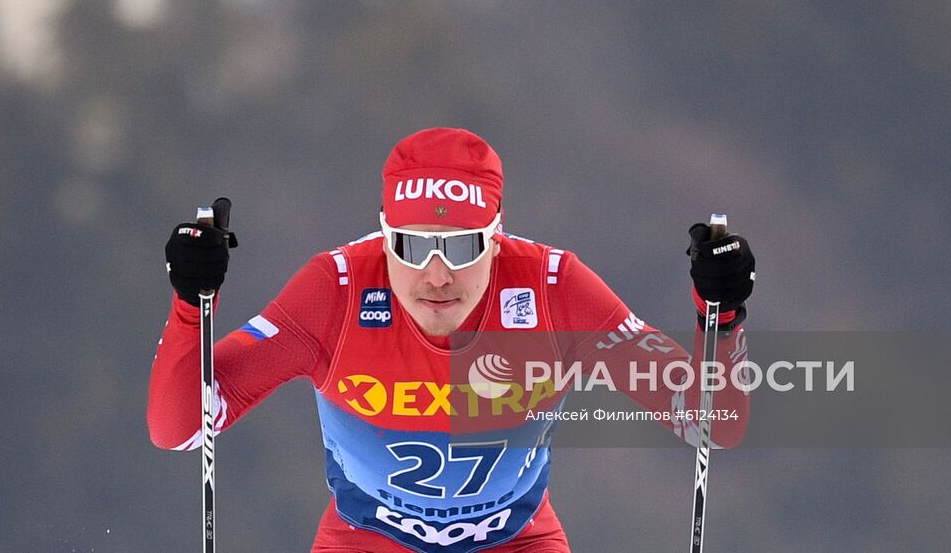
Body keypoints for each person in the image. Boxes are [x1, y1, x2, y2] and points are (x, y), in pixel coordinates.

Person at [148, 127, 756, 552]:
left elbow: (711, 422)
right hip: (368, 541)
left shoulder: (554, 290)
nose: (436, 274)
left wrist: (720, 319)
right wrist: (189, 306)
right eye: (411, 246)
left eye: (461, 247)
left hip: (515, 541)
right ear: (384, 238)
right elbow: (178, 430)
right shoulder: (334, 292)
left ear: (497, 238)